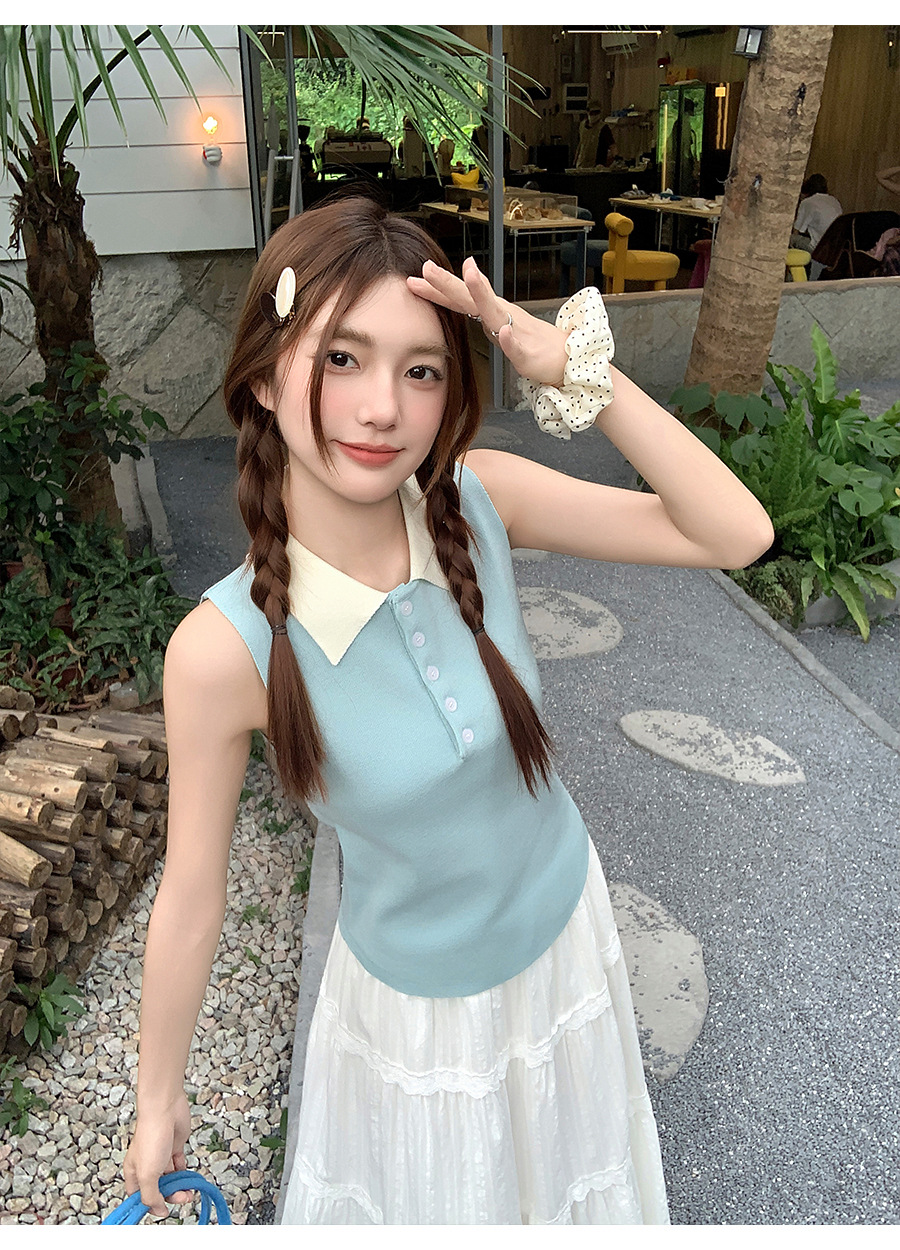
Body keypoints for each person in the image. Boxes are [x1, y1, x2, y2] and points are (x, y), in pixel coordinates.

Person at [121, 195, 774, 1225]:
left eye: (421, 369)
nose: (383, 406)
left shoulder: (477, 500)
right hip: (417, 1030)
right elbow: (192, 894)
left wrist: (574, 371)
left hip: (567, 945)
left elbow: (734, 532)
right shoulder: (223, 649)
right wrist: (157, 1097)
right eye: (342, 358)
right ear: (264, 374)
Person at [791, 174, 843, 278]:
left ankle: (791, 275)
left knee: (790, 239)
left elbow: (797, 230)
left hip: (818, 247)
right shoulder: (834, 200)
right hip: (835, 248)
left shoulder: (807, 202)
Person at [575, 101, 617, 169]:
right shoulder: (582, 126)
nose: (594, 115)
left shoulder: (603, 128)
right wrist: (575, 161)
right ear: (588, 112)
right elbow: (580, 144)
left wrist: (617, 158)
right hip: (581, 165)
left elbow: (612, 145)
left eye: (597, 113)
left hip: (597, 166)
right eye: (592, 112)